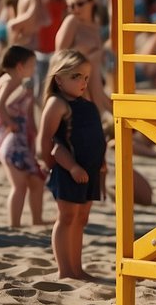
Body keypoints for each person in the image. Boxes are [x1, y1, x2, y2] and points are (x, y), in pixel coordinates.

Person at [39, 49, 106, 280]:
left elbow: (96, 137)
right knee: (67, 217)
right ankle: (64, 270)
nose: (83, 82)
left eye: (86, 77)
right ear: (59, 78)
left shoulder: (85, 104)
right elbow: (46, 140)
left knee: (81, 218)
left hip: (89, 171)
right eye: (76, 76)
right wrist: (53, 167)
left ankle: (77, 268)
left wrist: (102, 163)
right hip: (68, 170)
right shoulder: (57, 104)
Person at [0, 45, 45, 228]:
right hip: (11, 138)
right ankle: (14, 225)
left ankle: (36, 220)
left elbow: (29, 113)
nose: (35, 69)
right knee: (20, 185)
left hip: (22, 138)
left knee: (35, 181)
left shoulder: (21, 83)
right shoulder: (11, 79)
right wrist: (11, 124)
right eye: (32, 65)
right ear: (20, 66)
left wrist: (35, 134)